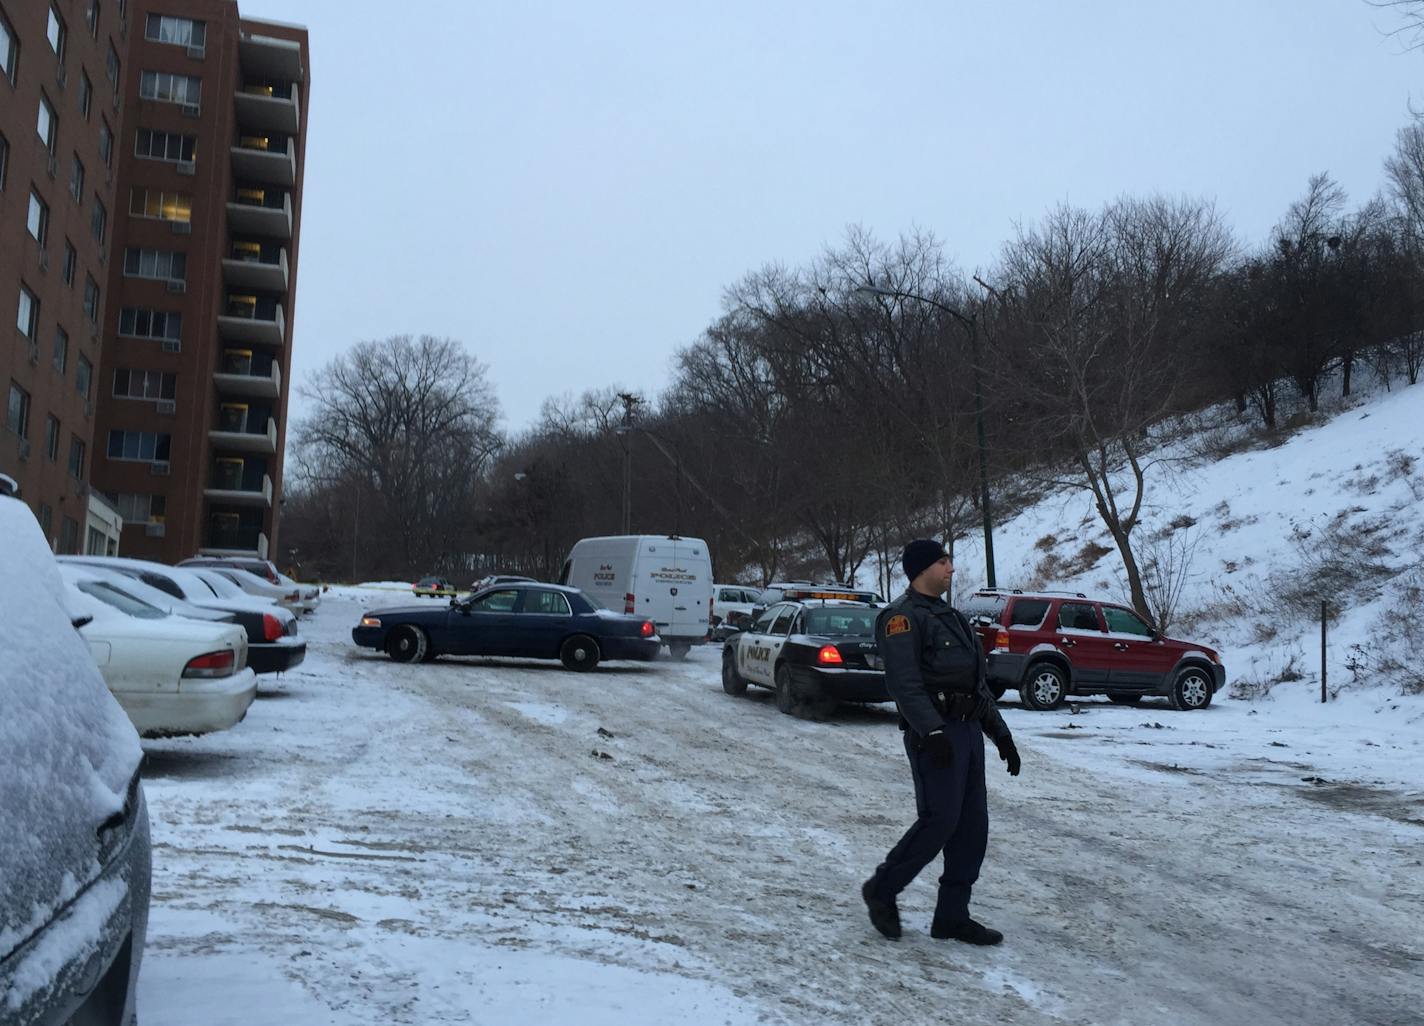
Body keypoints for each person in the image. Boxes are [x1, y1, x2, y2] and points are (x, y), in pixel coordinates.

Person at [862, 539, 1021, 945]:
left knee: (973, 827)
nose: (951, 568)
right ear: (921, 569)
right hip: (935, 735)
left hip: (968, 732)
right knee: (939, 821)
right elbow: (905, 684)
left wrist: (1001, 735)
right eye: (943, 561)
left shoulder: (953, 618)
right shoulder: (901, 619)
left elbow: (977, 686)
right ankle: (882, 889)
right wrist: (930, 731)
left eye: (949, 560)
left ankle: (952, 915)